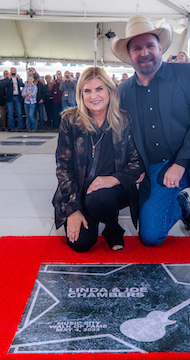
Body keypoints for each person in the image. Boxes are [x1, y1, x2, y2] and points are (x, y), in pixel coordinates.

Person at [111, 15, 190, 276]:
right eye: (137, 48)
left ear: (160, 48)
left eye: (150, 46)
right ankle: (181, 205)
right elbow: (123, 136)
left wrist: (180, 164)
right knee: (150, 237)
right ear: (129, 55)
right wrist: (133, 168)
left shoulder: (188, 74)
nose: (144, 53)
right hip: (156, 166)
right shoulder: (123, 92)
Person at [52, 67, 144, 252]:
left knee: (99, 200)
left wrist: (113, 179)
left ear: (110, 90)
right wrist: (72, 208)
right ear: (80, 94)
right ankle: (92, 214)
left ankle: (113, 229)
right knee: (81, 244)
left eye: (99, 89)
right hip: (79, 190)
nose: (93, 96)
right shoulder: (69, 121)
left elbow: (137, 164)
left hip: (112, 190)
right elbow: (63, 167)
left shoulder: (124, 120)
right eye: (87, 90)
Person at [4, 67, 24, 132]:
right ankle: (12, 128)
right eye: (12, 71)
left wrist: (19, 78)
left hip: (17, 97)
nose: (13, 72)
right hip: (10, 97)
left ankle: (20, 128)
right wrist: (9, 78)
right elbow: (5, 85)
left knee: (19, 113)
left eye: (14, 71)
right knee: (10, 113)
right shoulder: (8, 79)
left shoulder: (18, 78)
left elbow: (22, 85)